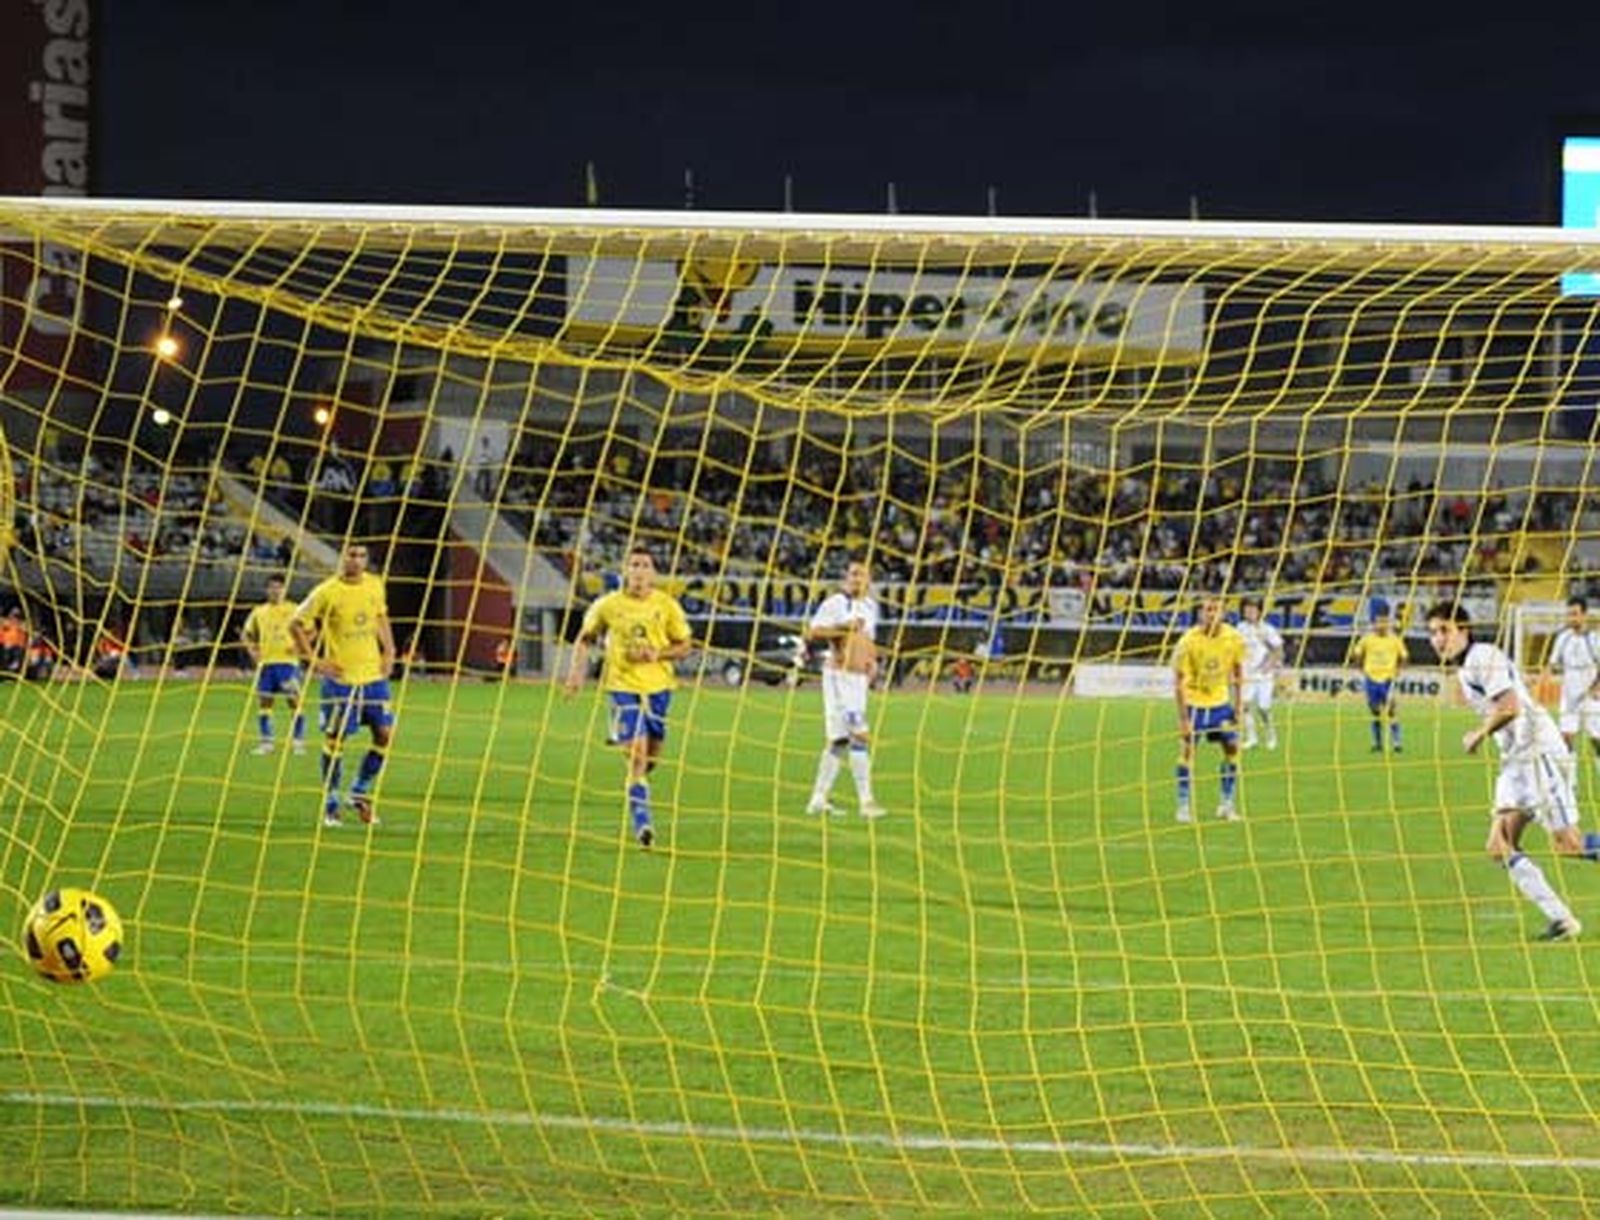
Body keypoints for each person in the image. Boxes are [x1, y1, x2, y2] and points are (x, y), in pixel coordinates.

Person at [1427, 601, 1600, 942]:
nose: (1437, 639)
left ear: (1464, 629)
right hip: (1517, 760)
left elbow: (1511, 707)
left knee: (1569, 844)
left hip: (1537, 753)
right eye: (1432, 632)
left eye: (1444, 630)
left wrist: (1479, 733)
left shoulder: (1481, 657)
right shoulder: (1466, 668)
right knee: (1499, 845)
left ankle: (1563, 919)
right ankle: (1562, 920)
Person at [563, 546, 692, 849]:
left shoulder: (667, 605)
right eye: (633, 564)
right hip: (621, 687)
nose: (638, 571)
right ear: (625, 571)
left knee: (650, 757)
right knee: (636, 755)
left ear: (653, 573)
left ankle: (637, 785)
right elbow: (584, 639)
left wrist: (656, 653)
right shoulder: (607, 605)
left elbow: (685, 645)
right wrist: (576, 675)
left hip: (659, 689)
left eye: (644, 565)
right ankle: (642, 824)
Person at [291, 543, 396, 827]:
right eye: (351, 554)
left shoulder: (375, 585)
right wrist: (313, 660)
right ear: (342, 558)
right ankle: (331, 801)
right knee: (336, 740)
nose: (357, 560)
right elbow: (296, 624)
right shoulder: (326, 591)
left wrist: (389, 651)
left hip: (373, 678)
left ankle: (359, 791)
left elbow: (380, 618)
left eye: (362, 555)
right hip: (341, 680)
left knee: (385, 734)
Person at [803, 558, 886, 818]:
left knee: (839, 741)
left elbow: (868, 639)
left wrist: (872, 662)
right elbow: (812, 632)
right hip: (839, 678)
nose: (856, 579)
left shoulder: (871, 607)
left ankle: (818, 799)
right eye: (852, 574)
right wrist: (841, 628)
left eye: (862, 574)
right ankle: (866, 802)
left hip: (858, 680)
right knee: (859, 735)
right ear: (845, 577)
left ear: (869, 579)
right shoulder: (836, 603)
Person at [1171, 594, 1245, 823]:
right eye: (1207, 610)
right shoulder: (1188, 641)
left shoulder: (1233, 638)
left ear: (1223, 613)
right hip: (1195, 703)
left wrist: (1239, 705)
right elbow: (1178, 681)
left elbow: (1238, 672)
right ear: (1200, 613)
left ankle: (1226, 804)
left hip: (1220, 704)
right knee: (1187, 752)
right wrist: (1183, 718)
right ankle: (1183, 806)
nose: (1211, 614)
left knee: (1232, 748)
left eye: (1216, 610)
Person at [240, 574, 306, 755]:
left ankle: (298, 742)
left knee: (294, 702)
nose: (275, 591)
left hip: (288, 664)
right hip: (266, 664)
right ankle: (266, 743)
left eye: (279, 587)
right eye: (272, 587)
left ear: (284, 590)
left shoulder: (295, 609)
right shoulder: (258, 612)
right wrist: (252, 650)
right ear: (266, 590)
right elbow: (246, 634)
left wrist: (300, 646)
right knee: (265, 703)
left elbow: (312, 630)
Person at [1542, 595, 1600, 791]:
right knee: (1566, 738)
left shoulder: (1594, 639)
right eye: (1569, 614)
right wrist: (1546, 677)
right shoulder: (1563, 638)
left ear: (1584, 615)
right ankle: (1570, 783)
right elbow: (1552, 663)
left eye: (1575, 614)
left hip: (1591, 698)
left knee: (1596, 740)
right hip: (1569, 697)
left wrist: (1596, 688)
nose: (1571, 618)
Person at [1352, 609, 1407, 753]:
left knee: (1391, 710)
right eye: (1379, 622)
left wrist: (1398, 669)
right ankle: (1377, 743)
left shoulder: (1394, 639)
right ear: (1374, 624)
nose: (1382, 625)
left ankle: (1397, 743)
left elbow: (1405, 656)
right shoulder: (1367, 639)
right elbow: (1357, 653)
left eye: (1385, 621)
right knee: (1374, 711)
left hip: (1388, 679)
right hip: (1371, 679)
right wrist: (1361, 667)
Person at [1236, 596, 1283, 750]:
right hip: (1247, 674)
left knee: (1263, 707)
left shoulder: (1267, 629)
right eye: (1247, 608)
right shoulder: (1240, 628)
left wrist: (1269, 665)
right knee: (1245, 705)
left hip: (1263, 675)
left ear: (1259, 611)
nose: (1249, 611)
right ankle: (1252, 738)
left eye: (1253, 608)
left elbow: (1278, 649)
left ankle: (1271, 735)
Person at [0, 608, 26, 676]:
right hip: (6, 645)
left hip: (17, 646)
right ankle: (6, 670)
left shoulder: (21, 624)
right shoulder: (6, 623)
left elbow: (25, 630)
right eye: (13, 616)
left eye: (17, 616)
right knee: (6, 653)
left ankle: (13, 667)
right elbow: (4, 625)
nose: (15, 618)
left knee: (16, 654)